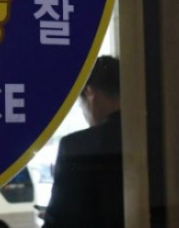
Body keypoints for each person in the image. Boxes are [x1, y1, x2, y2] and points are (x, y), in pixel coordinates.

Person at [42, 55, 123, 228]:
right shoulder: (157, 137)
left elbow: (61, 219)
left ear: (90, 93)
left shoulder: (76, 145)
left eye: (81, 104)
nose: (84, 112)